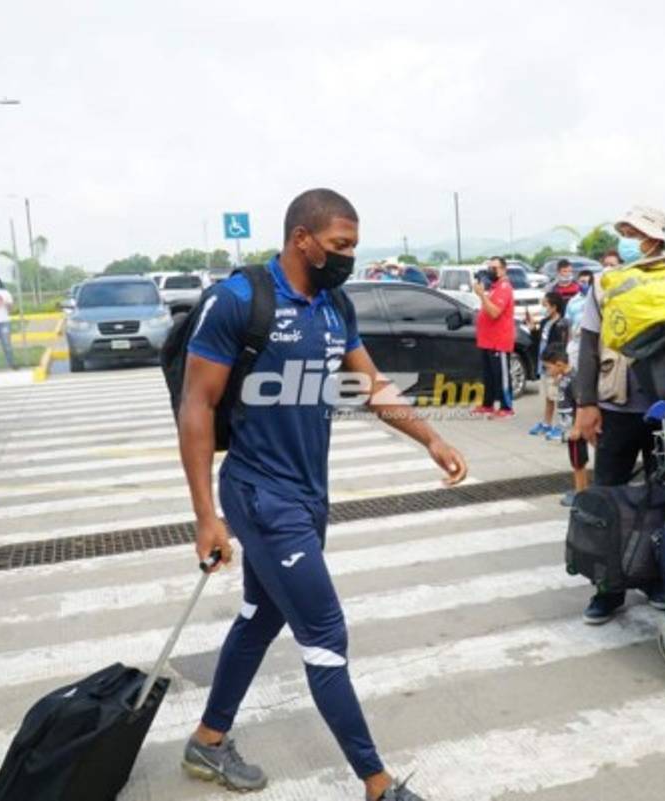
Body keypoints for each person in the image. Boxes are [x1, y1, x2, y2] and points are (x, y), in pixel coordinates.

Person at [179, 189, 467, 800]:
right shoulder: (238, 301)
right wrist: (206, 516)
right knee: (326, 639)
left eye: (354, 247)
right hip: (260, 497)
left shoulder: (335, 305)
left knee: (261, 615)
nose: (348, 258)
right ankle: (378, 785)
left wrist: (431, 439)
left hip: (309, 497)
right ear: (301, 238)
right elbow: (197, 406)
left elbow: (373, 386)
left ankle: (207, 741)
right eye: (340, 246)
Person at [575, 206, 665, 624]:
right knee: (608, 495)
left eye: (637, 231)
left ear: (656, 238)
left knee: (664, 497)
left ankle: (657, 578)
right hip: (615, 407)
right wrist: (586, 404)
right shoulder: (604, 283)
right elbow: (589, 347)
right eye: (625, 231)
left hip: (664, 408)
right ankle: (608, 588)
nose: (629, 237)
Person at [542, 343, 589, 506]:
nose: (548, 371)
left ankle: (581, 493)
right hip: (568, 429)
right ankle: (580, 490)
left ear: (559, 364)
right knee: (575, 461)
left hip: (575, 429)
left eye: (548, 368)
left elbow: (581, 403)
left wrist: (577, 427)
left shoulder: (573, 379)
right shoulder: (564, 377)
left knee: (578, 463)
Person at [472, 256, 516, 417]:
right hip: (487, 340)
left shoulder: (504, 287)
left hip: (499, 341)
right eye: (489, 267)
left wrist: (481, 295)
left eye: (494, 268)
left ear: (503, 269)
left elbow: (494, 312)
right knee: (488, 375)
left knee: (501, 375)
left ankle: (506, 407)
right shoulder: (494, 287)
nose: (491, 271)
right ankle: (487, 404)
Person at [526, 291, 569, 438]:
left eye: (546, 305)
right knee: (548, 397)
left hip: (555, 367)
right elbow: (538, 341)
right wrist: (532, 329)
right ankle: (546, 423)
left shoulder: (562, 324)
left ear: (554, 307)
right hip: (543, 365)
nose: (544, 308)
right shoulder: (545, 322)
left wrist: (561, 369)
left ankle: (561, 427)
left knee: (559, 397)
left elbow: (562, 347)